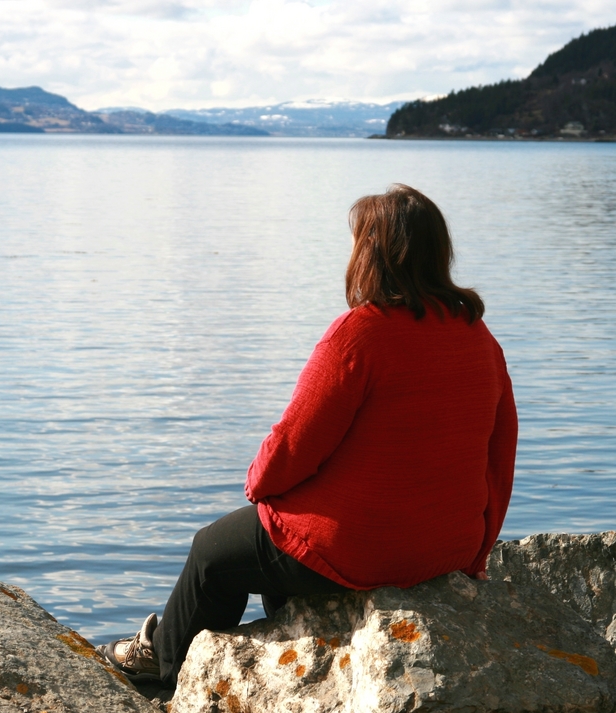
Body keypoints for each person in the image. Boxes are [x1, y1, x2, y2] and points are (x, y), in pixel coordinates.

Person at [98, 184, 519, 690]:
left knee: (212, 551)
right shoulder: (478, 337)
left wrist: (258, 485)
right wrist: (475, 549)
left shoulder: (360, 333)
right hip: (447, 546)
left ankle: (166, 673)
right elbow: (501, 456)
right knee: (279, 546)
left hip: (368, 549)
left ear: (373, 254)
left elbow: (295, 443)